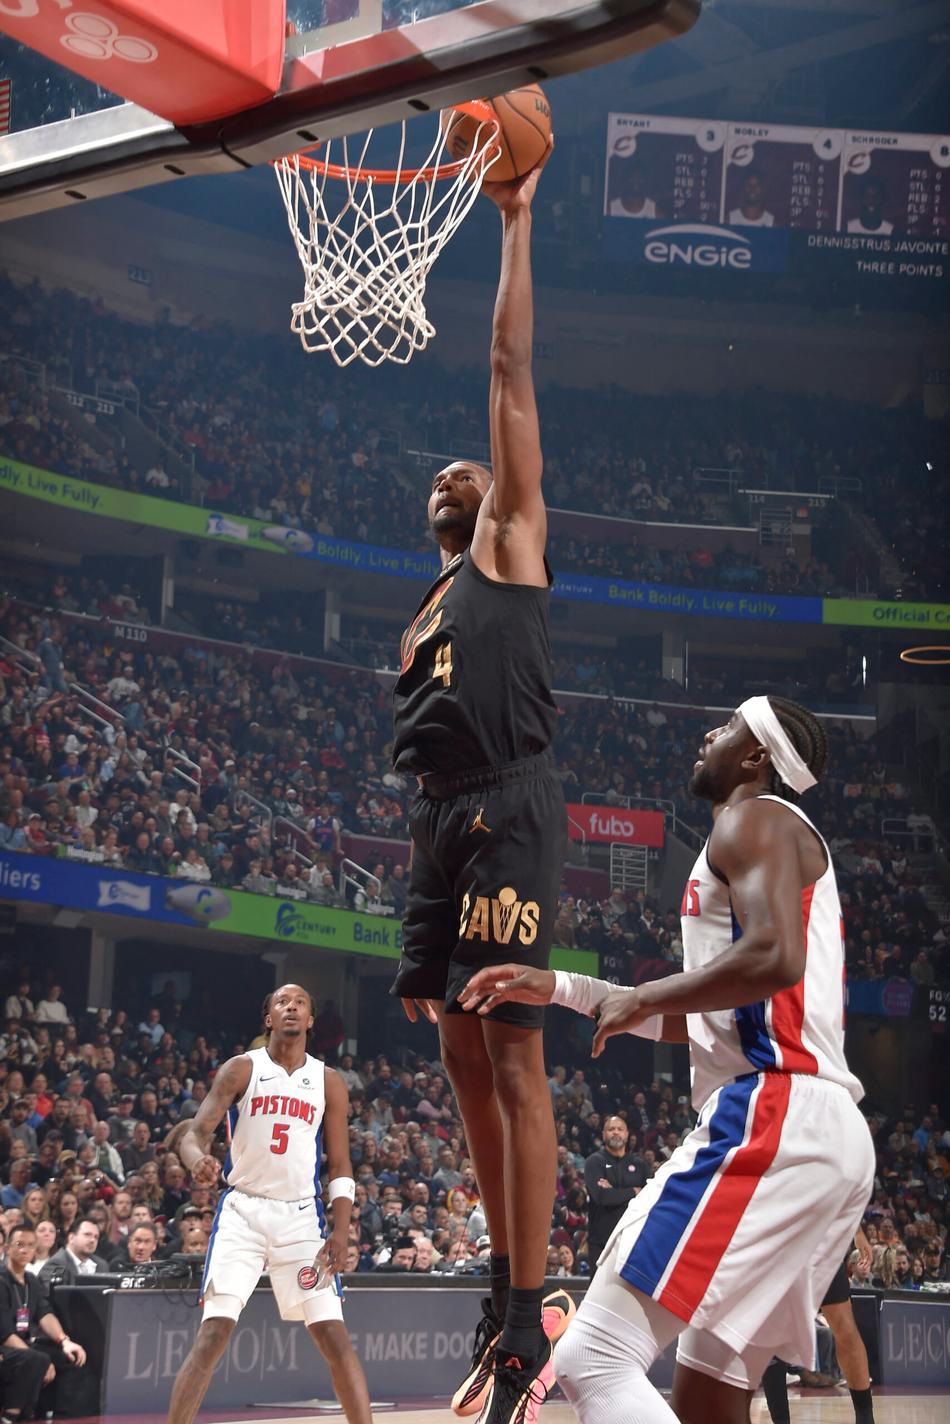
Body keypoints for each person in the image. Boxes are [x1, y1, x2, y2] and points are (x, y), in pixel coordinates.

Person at [461, 694, 875, 1424]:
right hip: (815, 1129)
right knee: (708, 1397)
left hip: (776, 1115)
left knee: (594, 1357)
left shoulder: (755, 819)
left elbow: (774, 957)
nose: (708, 733)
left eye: (729, 727)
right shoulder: (762, 836)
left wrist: (646, 998)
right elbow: (716, 1017)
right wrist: (564, 988)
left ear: (755, 758)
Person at [389, 140, 572, 1423]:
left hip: (509, 797)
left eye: (473, 461)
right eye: (445, 474)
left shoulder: (509, 539)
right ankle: (502, 1291)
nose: (460, 466)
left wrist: (511, 220)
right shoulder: (427, 604)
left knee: (512, 1055)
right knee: (454, 1050)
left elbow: (508, 370)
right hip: (441, 821)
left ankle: (526, 1314)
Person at [166, 984, 371, 1424]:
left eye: (300, 1003)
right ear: (269, 1019)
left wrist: (340, 1230)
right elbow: (194, 1133)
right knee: (214, 1333)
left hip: (300, 1217)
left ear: (312, 1020)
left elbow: (339, 1164)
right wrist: (197, 1159)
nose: (291, 1007)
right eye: (282, 1002)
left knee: (335, 1338)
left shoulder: (328, 1081)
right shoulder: (242, 1069)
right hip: (243, 1211)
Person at [761, 1227, 876, 1424]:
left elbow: (840, 1193)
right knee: (772, 1334)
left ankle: (865, 1418)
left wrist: (857, 1231)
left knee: (845, 1328)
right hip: (774, 1237)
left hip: (821, 1237)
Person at [0, 1223, 89, 1418]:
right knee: (37, 1359)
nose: (25, 1250)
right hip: (5, 1346)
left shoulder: (32, 1280)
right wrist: (42, 1361)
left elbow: (45, 1313)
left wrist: (65, 1341)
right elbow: (5, 1333)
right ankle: (10, 1417)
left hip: (24, 1345)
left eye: (30, 1245)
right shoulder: (1, 1279)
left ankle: (61, 1417)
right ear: (7, 1247)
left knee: (71, 1359)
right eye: (19, 1244)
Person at [583, 1116, 648, 1266]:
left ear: (627, 1134)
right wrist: (633, 1192)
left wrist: (614, 1193)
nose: (616, 1132)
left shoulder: (640, 1165)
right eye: (611, 1129)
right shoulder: (595, 1162)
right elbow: (601, 1196)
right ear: (603, 1134)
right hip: (601, 1242)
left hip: (633, 1241)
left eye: (620, 1129)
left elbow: (649, 1199)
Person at [38, 1218, 109, 1285]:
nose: (92, 1240)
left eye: (96, 1237)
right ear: (71, 1238)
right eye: (87, 1235)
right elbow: (51, 1296)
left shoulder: (102, 1265)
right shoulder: (56, 1264)